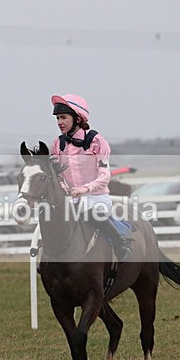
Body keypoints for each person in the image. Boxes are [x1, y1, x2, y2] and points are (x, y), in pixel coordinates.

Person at [49, 93, 133, 261]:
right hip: (71, 199)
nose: (59, 122)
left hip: (96, 198)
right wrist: (66, 189)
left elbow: (104, 176)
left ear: (78, 118)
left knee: (87, 211)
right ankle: (50, 256)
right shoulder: (58, 144)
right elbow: (58, 176)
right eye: (57, 118)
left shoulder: (96, 141)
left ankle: (120, 242)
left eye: (63, 117)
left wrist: (84, 189)